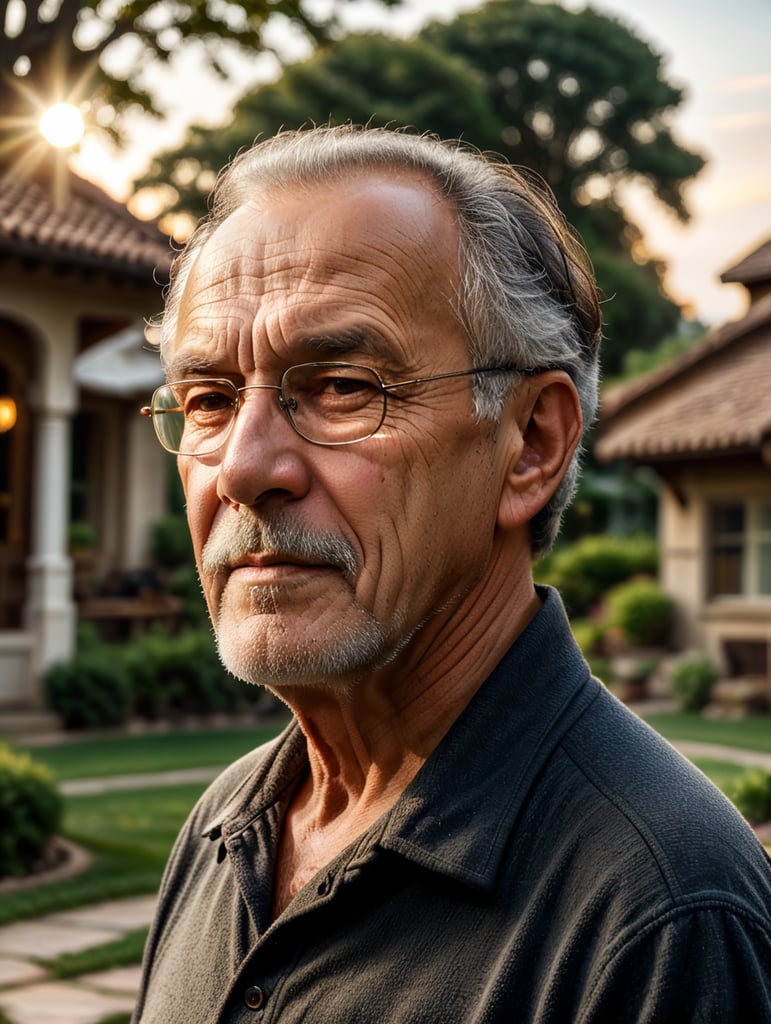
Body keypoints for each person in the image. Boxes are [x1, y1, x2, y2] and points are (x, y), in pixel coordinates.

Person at [134, 125, 771, 1023]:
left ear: (529, 446)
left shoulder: (662, 916)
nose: (243, 468)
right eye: (208, 399)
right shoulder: (223, 828)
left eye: (343, 386)